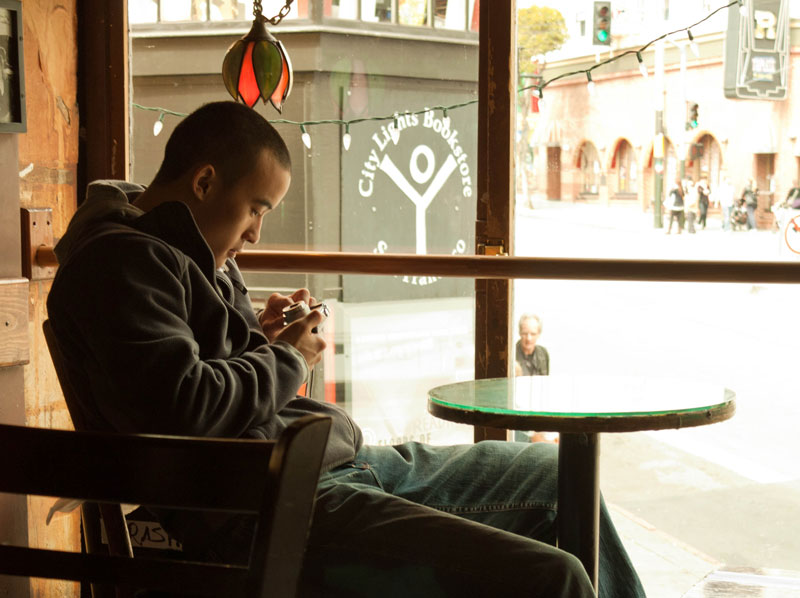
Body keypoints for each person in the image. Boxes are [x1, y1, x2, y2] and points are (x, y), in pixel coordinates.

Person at [47, 102, 645, 598]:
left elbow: (190, 366)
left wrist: (262, 331)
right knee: (555, 576)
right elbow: (183, 405)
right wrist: (288, 358)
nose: (256, 232)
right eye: (256, 209)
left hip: (328, 469)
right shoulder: (122, 261)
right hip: (270, 507)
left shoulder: (181, 245)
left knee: (554, 472)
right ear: (204, 181)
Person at [514, 313, 554, 444]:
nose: (529, 338)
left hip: (539, 409)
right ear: (519, 333)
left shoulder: (543, 353)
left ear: (539, 334)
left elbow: (546, 387)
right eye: (525, 333)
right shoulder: (511, 354)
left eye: (533, 334)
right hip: (518, 415)